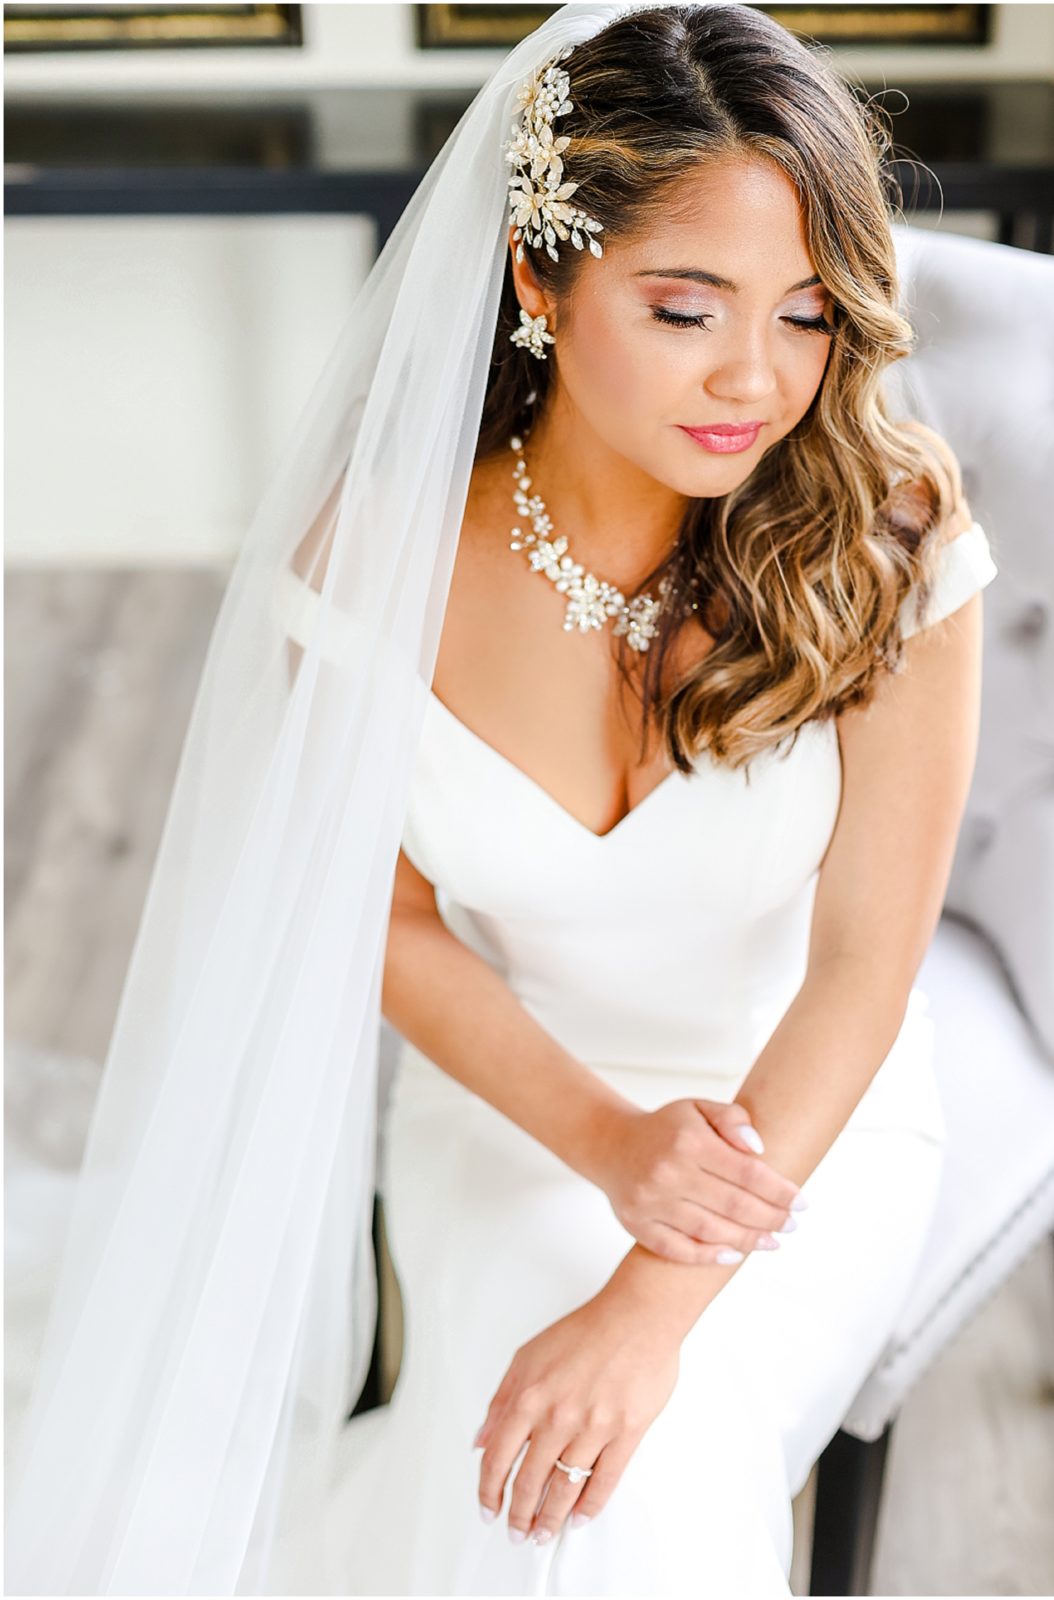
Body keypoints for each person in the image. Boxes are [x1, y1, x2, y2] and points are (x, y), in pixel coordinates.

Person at [4, 2, 998, 1594]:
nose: (756, 378)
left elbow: (865, 969)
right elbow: (377, 916)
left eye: (809, 315)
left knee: (620, 1482)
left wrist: (651, 1298)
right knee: (525, 1494)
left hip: (810, 1130)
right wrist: (605, 1143)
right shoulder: (374, 564)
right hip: (522, 1112)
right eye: (686, 308)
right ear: (541, 276)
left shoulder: (884, 537)